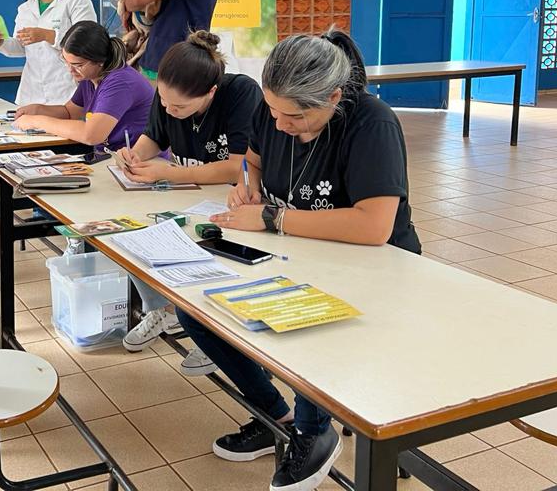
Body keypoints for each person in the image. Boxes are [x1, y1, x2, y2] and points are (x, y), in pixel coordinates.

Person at [177, 29, 420, 491]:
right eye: (272, 111)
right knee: (197, 311)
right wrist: (246, 185)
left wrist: (271, 217)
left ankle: (314, 432)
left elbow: (374, 226)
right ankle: (278, 418)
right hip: (296, 254)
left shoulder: (371, 122)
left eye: (296, 116)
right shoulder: (275, 112)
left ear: (332, 97)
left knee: (310, 324)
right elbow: (253, 158)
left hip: (375, 268)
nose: (281, 124)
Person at [115, 31, 262, 375]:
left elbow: (238, 166)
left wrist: (168, 173)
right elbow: (154, 136)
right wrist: (133, 156)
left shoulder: (240, 94)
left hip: (231, 201)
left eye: (179, 107)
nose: (169, 109)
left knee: (211, 257)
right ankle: (164, 312)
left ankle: (212, 335)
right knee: (131, 237)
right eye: (164, 101)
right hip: (188, 199)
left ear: (211, 92)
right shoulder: (168, 94)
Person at [13, 20, 154, 255]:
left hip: (137, 164)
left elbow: (91, 134)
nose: (71, 70)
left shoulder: (119, 81)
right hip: (109, 162)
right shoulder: (92, 78)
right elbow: (70, 112)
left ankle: (86, 244)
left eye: (77, 65)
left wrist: (37, 121)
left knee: (66, 190)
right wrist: (37, 109)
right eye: (67, 63)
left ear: (99, 60)